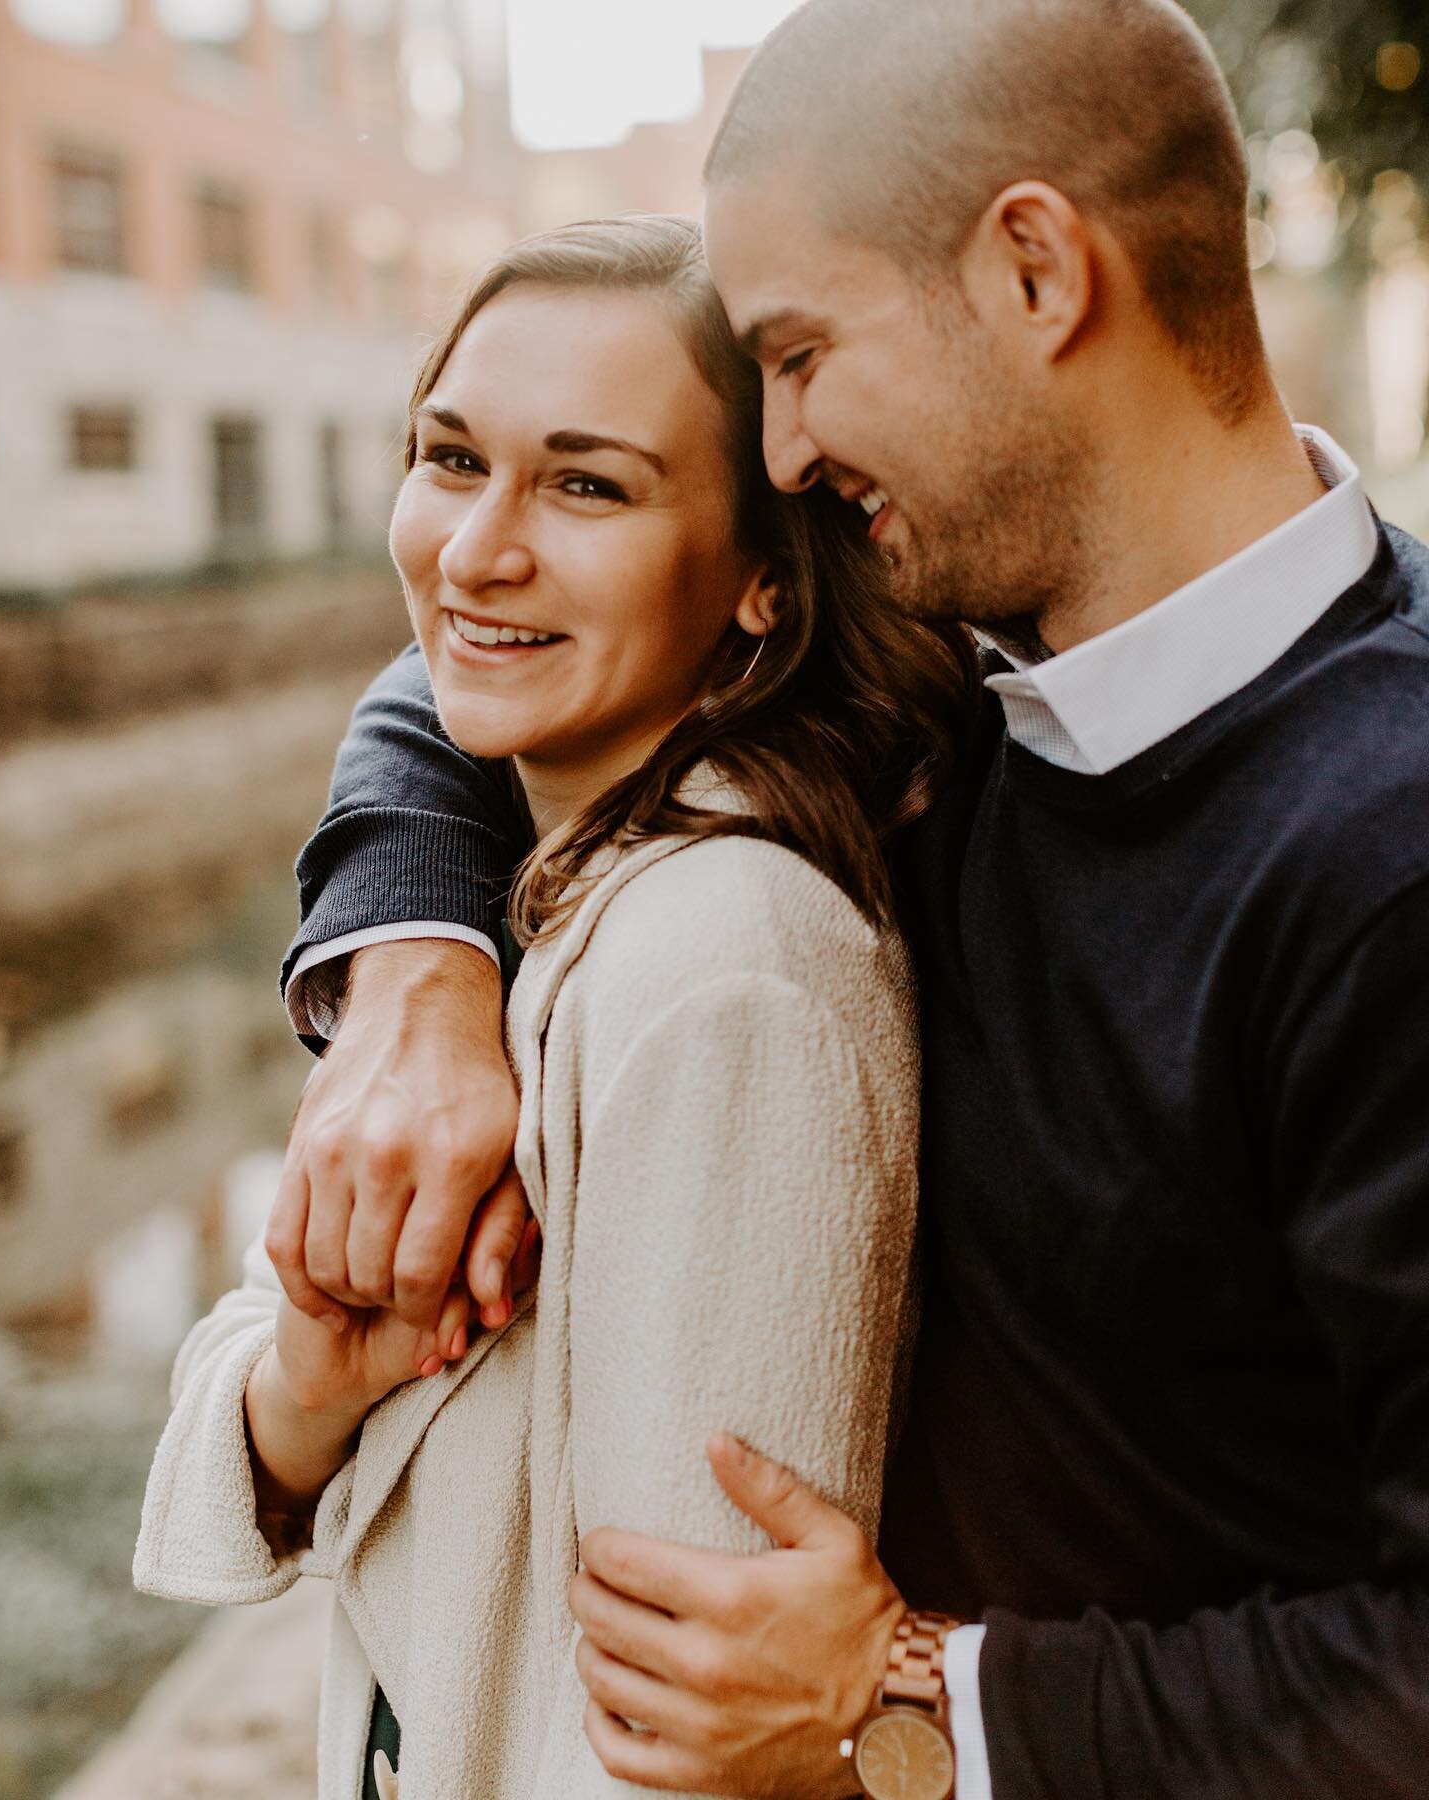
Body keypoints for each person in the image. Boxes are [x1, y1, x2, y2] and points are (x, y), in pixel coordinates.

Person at [260, 1, 1429, 1796]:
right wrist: (418, 970)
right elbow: (467, 665)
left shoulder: (1388, 851)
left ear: (1036, 271)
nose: (785, 452)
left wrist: (921, 1690)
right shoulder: (960, 693)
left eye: (800, 354)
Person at [135, 214, 975, 1798]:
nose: (474, 551)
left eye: (587, 484)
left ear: (761, 587)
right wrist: (311, 1383)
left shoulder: (725, 964)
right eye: (451, 457)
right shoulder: (543, 888)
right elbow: (269, 1397)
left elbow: (686, 1725)